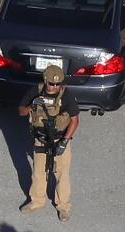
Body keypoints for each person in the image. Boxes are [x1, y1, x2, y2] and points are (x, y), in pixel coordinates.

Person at [18, 65, 80, 223]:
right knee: (39, 171)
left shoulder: (66, 96)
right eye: (51, 83)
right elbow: (21, 111)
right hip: (41, 139)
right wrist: (33, 105)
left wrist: (64, 142)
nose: (54, 87)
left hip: (59, 139)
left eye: (58, 84)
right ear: (45, 80)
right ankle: (37, 201)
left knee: (62, 173)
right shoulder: (36, 91)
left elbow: (74, 121)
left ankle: (64, 206)